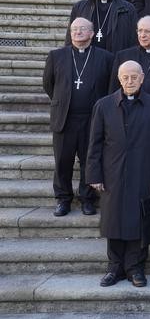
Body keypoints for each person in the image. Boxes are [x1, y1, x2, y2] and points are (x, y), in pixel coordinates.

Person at [86, 60, 150, 288]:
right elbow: (95, 144)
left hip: (143, 172)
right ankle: (114, 267)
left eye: (134, 77)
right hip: (112, 172)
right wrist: (94, 174)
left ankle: (136, 268)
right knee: (113, 221)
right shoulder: (103, 106)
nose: (129, 81)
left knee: (139, 221)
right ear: (119, 79)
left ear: (142, 78)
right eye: (125, 77)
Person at [43, 18, 113, 217]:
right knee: (62, 162)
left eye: (83, 29)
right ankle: (63, 199)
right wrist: (61, 102)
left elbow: (109, 87)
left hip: (92, 119)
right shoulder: (56, 56)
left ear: (92, 33)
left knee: (88, 161)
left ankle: (87, 199)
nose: (78, 32)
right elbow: (49, 84)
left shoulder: (106, 57)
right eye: (74, 29)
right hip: (65, 118)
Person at [68, 0, 137, 54]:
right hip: (88, 56)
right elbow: (70, 34)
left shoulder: (127, 8)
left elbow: (133, 38)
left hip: (115, 56)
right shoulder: (80, 6)